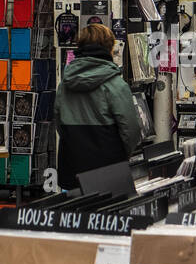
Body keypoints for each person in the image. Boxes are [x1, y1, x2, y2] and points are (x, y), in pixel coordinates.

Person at [55, 23, 142, 189]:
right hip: (109, 168)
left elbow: (60, 123)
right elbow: (131, 129)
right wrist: (122, 155)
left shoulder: (65, 84)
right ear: (109, 47)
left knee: (76, 213)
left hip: (73, 166)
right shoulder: (116, 84)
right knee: (108, 214)